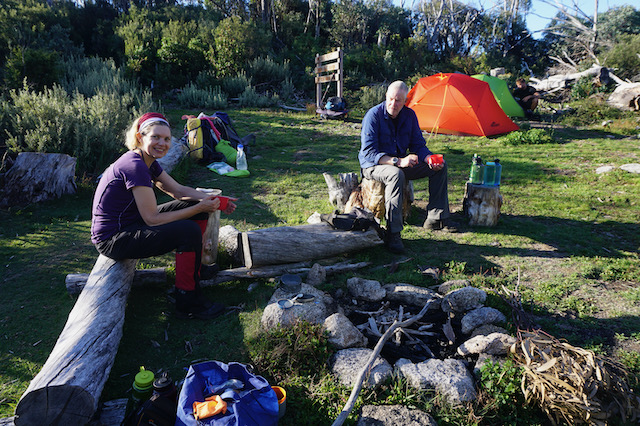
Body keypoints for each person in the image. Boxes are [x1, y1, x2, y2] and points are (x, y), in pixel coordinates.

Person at [91, 112, 236, 320]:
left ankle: (195, 270)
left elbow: (177, 190)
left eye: (167, 139)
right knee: (188, 231)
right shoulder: (135, 166)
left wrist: (217, 201)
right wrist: (198, 208)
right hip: (113, 239)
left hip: (132, 223)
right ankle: (188, 301)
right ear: (140, 138)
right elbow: (152, 219)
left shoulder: (146, 160)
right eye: (156, 137)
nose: (162, 143)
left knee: (197, 206)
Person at [358, 81, 454, 254]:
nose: (393, 104)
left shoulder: (409, 116)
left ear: (405, 101)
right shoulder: (373, 116)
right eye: (391, 99)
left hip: (398, 164)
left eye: (398, 101)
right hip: (373, 166)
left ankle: (436, 217)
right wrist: (398, 161)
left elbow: (418, 145)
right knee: (395, 174)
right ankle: (393, 232)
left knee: (440, 166)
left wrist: (429, 158)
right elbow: (369, 153)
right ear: (386, 96)